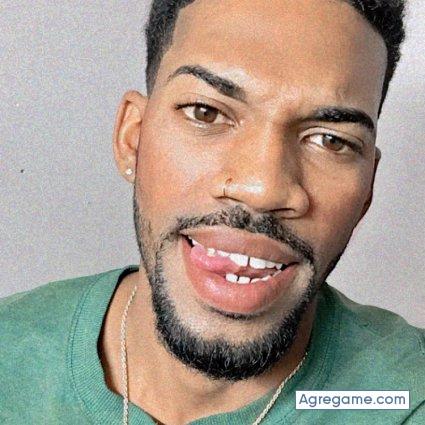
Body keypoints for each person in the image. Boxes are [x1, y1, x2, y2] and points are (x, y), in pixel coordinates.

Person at [1, 0, 424, 424]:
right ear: (133, 139)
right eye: (207, 113)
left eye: (331, 141)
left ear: (367, 188)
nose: (261, 190)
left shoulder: (402, 397)